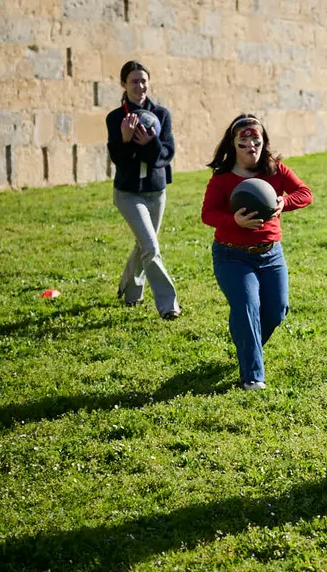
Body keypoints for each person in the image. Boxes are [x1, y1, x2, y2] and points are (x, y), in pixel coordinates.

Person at [201, 115, 313, 390]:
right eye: (244, 141)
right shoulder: (222, 179)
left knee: (276, 311)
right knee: (247, 306)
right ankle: (252, 377)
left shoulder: (276, 171)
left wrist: (283, 202)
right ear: (233, 144)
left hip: (271, 254)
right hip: (232, 256)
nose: (251, 146)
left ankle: (245, 340)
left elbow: (305, 193)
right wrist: (234, 221)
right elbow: (208, 214)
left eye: (257, 140)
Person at [105, 60, 181, 319]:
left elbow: (166, 154)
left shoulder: (162, 115)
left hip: (155, 192)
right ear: (123, 84)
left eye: (144, 81)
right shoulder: (116, 118)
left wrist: (151, 144)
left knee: (143, 245)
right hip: (128, 193)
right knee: (151, 246)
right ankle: (168, 305)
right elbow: (118, 158)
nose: (140, 86)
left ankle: (129, 290)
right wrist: (126, 141)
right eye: (134, 81)